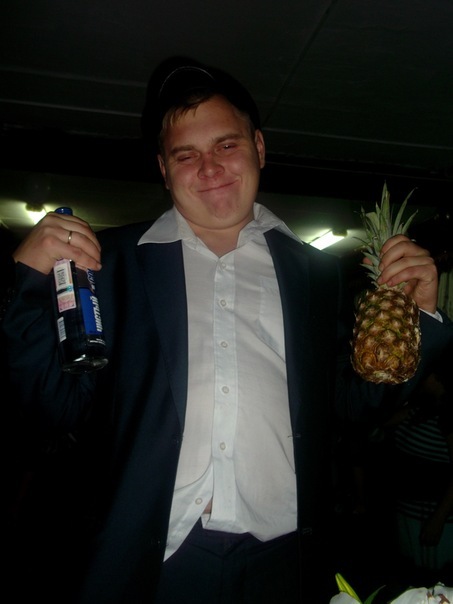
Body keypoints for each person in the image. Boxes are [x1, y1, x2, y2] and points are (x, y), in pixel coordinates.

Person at [2, 56, 452, 604]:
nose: (209, 167)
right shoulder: (108, 262)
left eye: (226, 145)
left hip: (282, 563)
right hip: (150, 561)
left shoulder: (316, 275)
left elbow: (351, 405)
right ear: (163, 168)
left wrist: (420, 319)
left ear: (259, 147)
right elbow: (53, 407)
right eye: (185, 155)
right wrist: (26, 284)